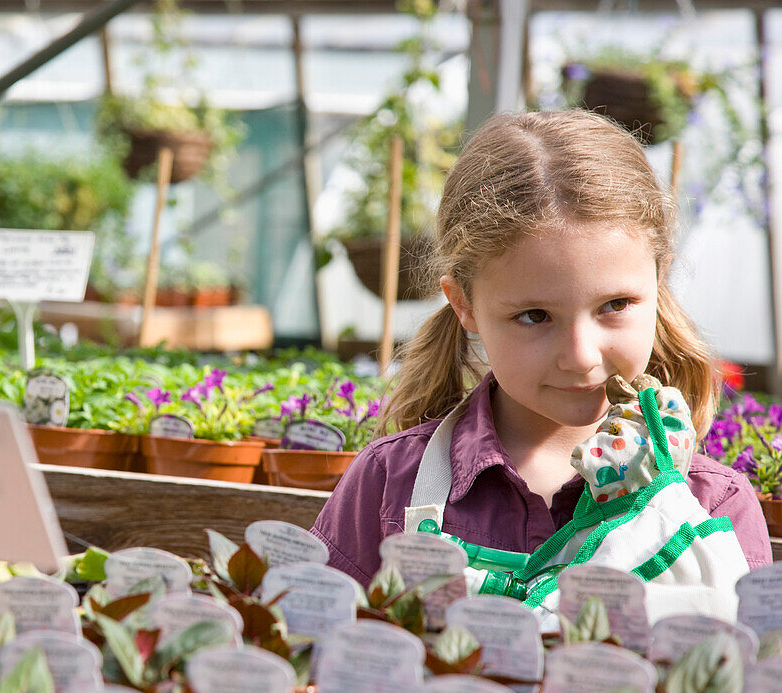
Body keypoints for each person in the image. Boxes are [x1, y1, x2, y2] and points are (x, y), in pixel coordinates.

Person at [311, 109, 772, 586]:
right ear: (464, 304)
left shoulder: (714, 505)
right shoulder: (389, 485)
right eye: (534, 316)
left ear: (660, 279)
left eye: (616, 304)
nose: (581, 356)